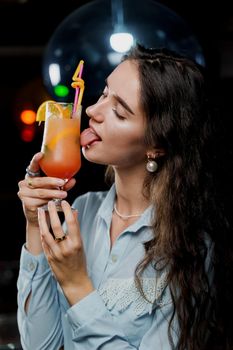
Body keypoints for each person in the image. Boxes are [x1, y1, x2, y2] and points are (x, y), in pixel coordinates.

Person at [17, 44, 233, 350]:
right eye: (104, 94)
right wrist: (36, 226)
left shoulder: (192, 245)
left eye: (119, 111)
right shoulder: (82, 210)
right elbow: (41, 346)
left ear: (156, 145)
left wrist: (76, 284)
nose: (92, 111)